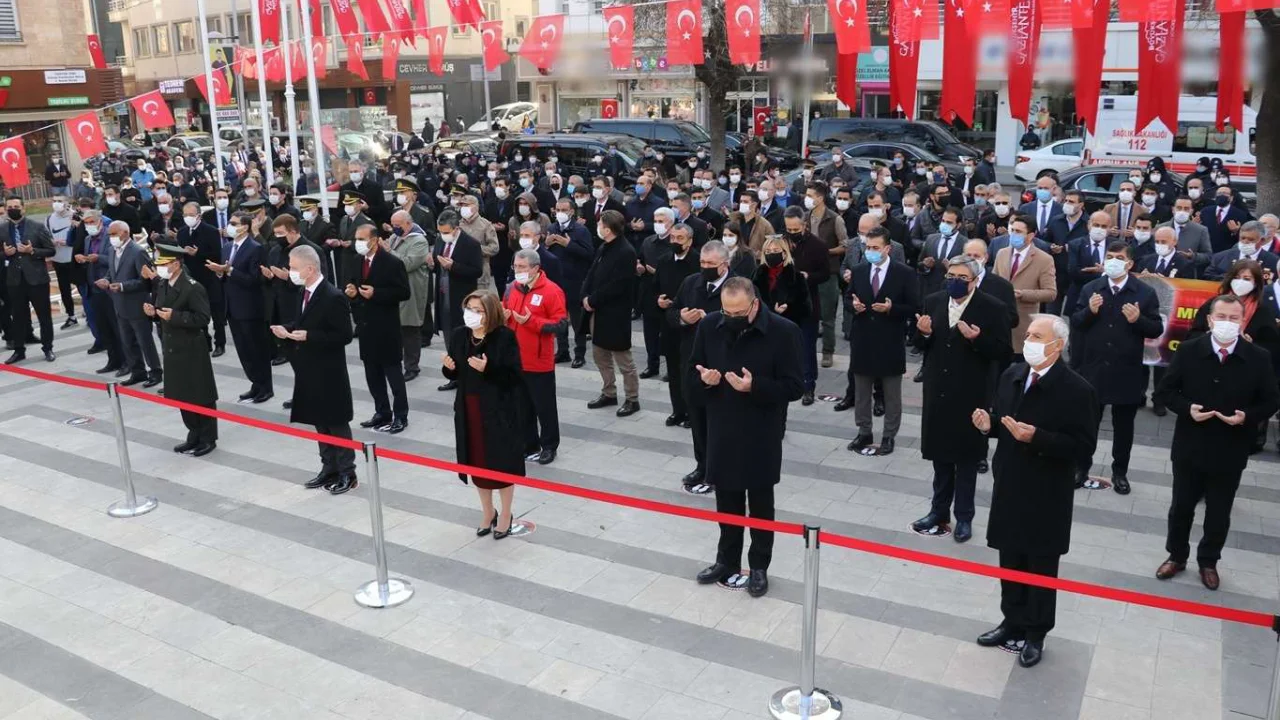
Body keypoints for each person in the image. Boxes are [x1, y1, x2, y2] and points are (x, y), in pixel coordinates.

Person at [974, 314, 1098, 668]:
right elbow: (1006, 422)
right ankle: (1011, 619)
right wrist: (989, 426)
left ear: (1057, 346)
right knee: (1009, 558)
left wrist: (1038, 438)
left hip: (1047, 492)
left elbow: (1083, 447)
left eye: (1036, 335)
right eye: (1028, 333)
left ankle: (1036, 632)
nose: (1028, 339)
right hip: (1010, 483)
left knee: (1041, 564)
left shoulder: (1077, 390)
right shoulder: (1012, 375)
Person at [1155, 295, 1280, 591]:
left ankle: (1208, 561)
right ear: (1210, 320)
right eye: (1221, 317)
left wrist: (1246, 417)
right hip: (1190, 444)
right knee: (1181, 506)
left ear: (1242, 321)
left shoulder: (1258, 357)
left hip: (1231, 447)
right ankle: (1176, 555)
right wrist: (1188, 409)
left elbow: (1271, 400)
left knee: (1219, 511)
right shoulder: (1188, 350)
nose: (1226, 323)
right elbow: (1166, 391)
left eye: (1233, 318)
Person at [691, 277, 803, 597]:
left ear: (754, 304)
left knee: (760, 504)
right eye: (726, 310)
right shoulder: (710, 326)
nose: (731, 317)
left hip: (760, 432)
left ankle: (758, 566)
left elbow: (795, 386)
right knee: (726, 500)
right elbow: (691, 375)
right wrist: (706, 381)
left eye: (738, 312)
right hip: (722, 429)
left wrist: (755, 387)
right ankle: (726, 560)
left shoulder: (783, 332)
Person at [911, 256, 1011, 542]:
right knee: (940, 458)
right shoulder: (933, 300)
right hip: (938, 392)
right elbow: (918, 344)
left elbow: (1003, 352)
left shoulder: (993, 308)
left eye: (962, 277)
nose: (954, 281)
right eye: (951, 275)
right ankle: (938, 511)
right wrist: (924, 333)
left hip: (971, 394)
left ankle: (964, 517)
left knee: (966, 460)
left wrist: (977, 340)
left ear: (975, 280)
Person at [1070, 242, 1163, 494]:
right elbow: (1076, 322)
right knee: (1088, 423)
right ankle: (1081, 467)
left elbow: (1156, 328)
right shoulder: (1091, 288)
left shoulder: (1144, 293)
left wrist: (1138, 320)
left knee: (1124, 427)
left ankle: (1119, 472)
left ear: (1129, 263)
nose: (1113, 261)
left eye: (1118, 257)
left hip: (1127, 371)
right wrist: (1089, 311)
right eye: (1109, 256)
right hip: (1093, 369)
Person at [273, 244, 358, 495]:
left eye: (294, 267)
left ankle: (347, 472)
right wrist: (286, 330)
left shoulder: (333, 296)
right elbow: (302, 322)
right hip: (309, 368)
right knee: (319, 420)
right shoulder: (304, 292)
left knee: (336, 422)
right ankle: (328, 467)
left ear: (309, 269)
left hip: (329, 371)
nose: (291, 271)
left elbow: (344, 335)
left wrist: (309, 336)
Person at [442, 290, 526, 539]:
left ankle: (507, 513)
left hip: (498, 410)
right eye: (469, 309)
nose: (472, 315)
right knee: (477, 462)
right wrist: (449, 369)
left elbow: (514, 377)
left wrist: (489, 369)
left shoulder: (504, 337)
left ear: (490, 312)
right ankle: (488, 511)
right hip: (469, 407)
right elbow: (455, 374)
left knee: (501, 462)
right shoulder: (460, 335)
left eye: (478, 310)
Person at [846, 227, 917, 456]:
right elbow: (848, 298)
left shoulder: (904, 273)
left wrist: (892, 308)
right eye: (868, 247)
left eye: (875, 248)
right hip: (863, 339)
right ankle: (864, 430)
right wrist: (853, 306)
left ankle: (889, 435)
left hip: (890, 340)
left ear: (888, 248)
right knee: (862, 391)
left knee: (891, 394)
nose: (871, 251)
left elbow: (915, 307)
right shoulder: (858, 271)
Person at [671, 238, 733, 492]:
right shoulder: (691, 282)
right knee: (697, 418)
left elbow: (749, 322)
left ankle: (720, 470)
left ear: (724, 265)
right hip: (693, 362)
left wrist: (715, 322)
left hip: (723, 364)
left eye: (711, 263)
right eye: (702, 262)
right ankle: (702, 465)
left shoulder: (738, 287)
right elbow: (672, 312)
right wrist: (682, 318)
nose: (705, 267)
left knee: (720, 422)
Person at [145, 248, 218, 456]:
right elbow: (163, 311)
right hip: (172, 347)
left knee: (200, 394)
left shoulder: (193, 288)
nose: (160, 268)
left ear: (176, 264)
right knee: (182, 394)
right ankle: (193, 433)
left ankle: (208, 437)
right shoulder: (162, 284)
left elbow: (203, 318)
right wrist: (154, 314)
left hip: (192, 348)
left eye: (164, 264)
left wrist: (175, 317)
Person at [503, 249, 568, 465]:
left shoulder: (552, 291)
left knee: (544, 407)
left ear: (535, 268)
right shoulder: (512, 288)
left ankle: (549, 446)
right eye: (515, 266)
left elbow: (560, 324)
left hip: (539, 361)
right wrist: (502, 317)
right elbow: (506, 312)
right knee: (522, 406)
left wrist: (532, 322)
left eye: (522, 267)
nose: (517, 271)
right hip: (515, 358)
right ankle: (528, 444)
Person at [347, 224, 411, 434]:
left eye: (362, 238)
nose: (358, 243)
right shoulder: (357, 261)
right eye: (356, 238)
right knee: (372, 374)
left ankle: (401, 415)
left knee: (393, 374)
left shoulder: (392, 262)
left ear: (374, 240)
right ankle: (382, 411)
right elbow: (354, 285)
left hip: (386, 327)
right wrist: (352, 292)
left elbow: (403, 292)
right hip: (365, 327)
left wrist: (377, 293)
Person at [210, 211, 273, 403]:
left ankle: (265, 387)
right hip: (232, 307)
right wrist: (221, 273)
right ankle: (255, 383)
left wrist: (229, 270)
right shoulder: (227, 247)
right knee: (243, 350)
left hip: (250, 307)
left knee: (256, 349)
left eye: (234, 223)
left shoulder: (255, 248)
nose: (230, 226)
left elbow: (254, 279)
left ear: (245, 226)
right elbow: (226, 275)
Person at [583, 209, 641, 417]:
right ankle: (609, 392)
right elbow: (593, 272)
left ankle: (632, 398)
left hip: (615, 313)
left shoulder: (626, 251)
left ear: (607, 229)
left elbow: (618, 285)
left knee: (623, 359)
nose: (598, 228)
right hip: (597, 311)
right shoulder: (604, 246)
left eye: (600, 225)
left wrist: (593, 299)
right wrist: (585, 295)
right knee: (600, 355)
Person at [102, 222, 161, 386]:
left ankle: (155, 372)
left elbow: (145, 281)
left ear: (125, 232)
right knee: (128, 341)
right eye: (110, 235)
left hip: (137, 304)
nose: (111, 238)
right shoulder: (112, 251)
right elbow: (112, 272)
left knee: (145, 341)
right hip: (120, 305)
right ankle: (138, 371)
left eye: (114, 234)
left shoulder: (138, 252)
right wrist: (106, 280)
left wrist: (122, 286)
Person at [993, 216, 1057, 360]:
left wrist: (1023, 294)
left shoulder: (1044, 259)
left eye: (1019, 232)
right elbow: (993, 281)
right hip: (998, 323)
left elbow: (1051, 293)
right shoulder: (1002, 253)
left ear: (1031, 236)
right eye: (1012, 230)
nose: (1014, 234)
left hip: (1023, 324)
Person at [2, 196, 56, 364]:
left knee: (44, 315)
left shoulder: (37, 226)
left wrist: (33, 251)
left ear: (23, 208)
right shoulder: (2, 229)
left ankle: (48, 348)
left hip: (37, 279)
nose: (13, 209)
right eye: (9, 206)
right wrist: (6, 254)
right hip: (14, 280)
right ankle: (19, 350)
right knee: (18, 316)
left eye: (16, 206)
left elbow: (51, 250)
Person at [433, 209, 484, 388]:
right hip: (443, 295)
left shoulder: (470, 244)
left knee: (464, 337)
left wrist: (454, 266)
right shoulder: (439, 240)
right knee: (449, 337)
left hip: (462, 298)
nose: (443, 235)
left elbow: (477, 271)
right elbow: (436, 265)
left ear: (456, 228)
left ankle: (467, 375)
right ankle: (454, 374)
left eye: (446, 232)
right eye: (440, 232)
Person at [805, 181, 847, 368]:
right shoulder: (805, 217)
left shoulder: (835, 219)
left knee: (828, 317)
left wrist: (826, 252)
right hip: (807, 273)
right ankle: (807, 350)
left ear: (820, 198)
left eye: (810, 195)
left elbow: (845, 244)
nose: (806, 199)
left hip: (828, 273)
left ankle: (828, 352)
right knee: (807, 314)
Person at [387, 210, 432, 381]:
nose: (394, 228)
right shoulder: (394, 238)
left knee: (410, 328)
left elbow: (407, 264)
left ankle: (412, 366)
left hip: (412, 290)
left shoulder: (419, 241)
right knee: (398, 328)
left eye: (397, 225)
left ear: (408, 223)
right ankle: (398, 363)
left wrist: (388, 252)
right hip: (396, 289)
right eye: (393, 225)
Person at [177, 202, 226, 355]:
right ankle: (205, 340)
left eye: (191, 215)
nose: (188, 218)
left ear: (198, 215)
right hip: (191, 277)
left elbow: (217, 255)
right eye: (185, 215)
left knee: (216, 311)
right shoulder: (182, 232)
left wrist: (198, 253)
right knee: (198, 310)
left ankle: (220, 343)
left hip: (209, 276)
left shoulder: (210, 231)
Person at [45, 195, 78, 329]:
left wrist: (69, 242)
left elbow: (83, 235)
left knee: (81, 285)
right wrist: (51, 242)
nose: (57, 204)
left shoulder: (75, 216)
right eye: (54, 201)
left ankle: (89, 312)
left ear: (66, 203)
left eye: (60, 201)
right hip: (58, 259)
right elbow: (45, 236)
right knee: (64, 289)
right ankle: (71, 315)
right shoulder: (48, 219)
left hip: (74, 257)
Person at [1205, 221, 1279, 280]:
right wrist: (1230, 278)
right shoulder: (1220, 257)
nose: (1245, 242)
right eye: (1243, 238)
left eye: (1251, 239)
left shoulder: (1273, 261)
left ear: (1262, 240)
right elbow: (1207, 277)